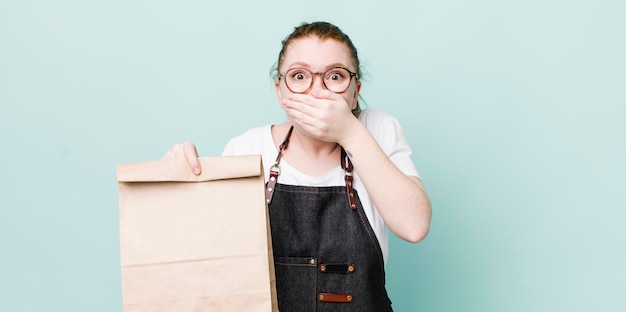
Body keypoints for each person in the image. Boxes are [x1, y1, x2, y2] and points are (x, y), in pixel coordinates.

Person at [163, 21, 431, 311]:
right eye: (300, 76)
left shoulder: (376, 130)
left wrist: (349, 132)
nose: (317, 91)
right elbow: (209, 256)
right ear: (281, 92)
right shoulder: (247, 149)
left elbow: (414, 226)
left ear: (355, 92)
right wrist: (179, 184)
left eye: (335, 76)